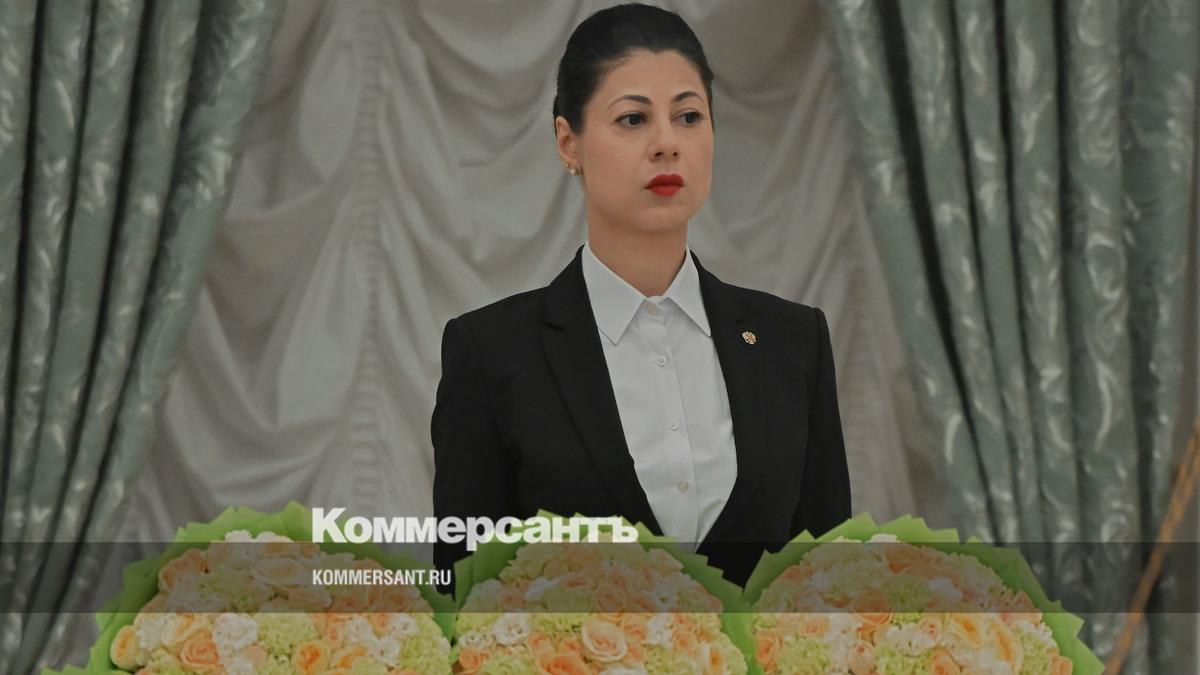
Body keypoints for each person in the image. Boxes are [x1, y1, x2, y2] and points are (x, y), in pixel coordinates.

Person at [431, 2, 849, 588]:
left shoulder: (794, 343)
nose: (666, 143)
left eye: (689, 116)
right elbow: (462, 593)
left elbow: (831, 586)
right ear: (568, 143)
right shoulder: (492, 352)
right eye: (633, 119)